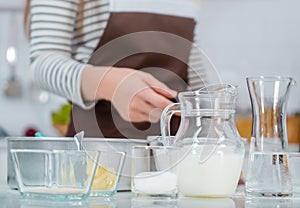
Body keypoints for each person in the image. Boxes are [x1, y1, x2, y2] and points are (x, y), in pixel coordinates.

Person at [24, 0, 208, 139]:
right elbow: (43, 65)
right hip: (98, 160)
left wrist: (215, 136)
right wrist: (110, 84)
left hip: (175, 158)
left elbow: (195, 75)